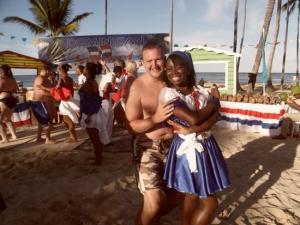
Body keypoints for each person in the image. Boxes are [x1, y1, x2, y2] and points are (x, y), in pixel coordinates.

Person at [125, 41, 217, 225]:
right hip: (148, 148)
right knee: (154, 203)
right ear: (142, 63)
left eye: (158, 59)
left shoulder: (173, 80)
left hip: (177, 147)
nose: (154, 65)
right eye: (149, 61)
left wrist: (211, 97)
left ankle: (152, 219)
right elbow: (130, 125)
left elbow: (195, 100)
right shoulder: (138, 86)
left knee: (179, 196)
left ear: (165, 59)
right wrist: (155, 118)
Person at [161, 51, 231, 225]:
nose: (173, 72)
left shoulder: (200, 92)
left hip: (206, 146)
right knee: (210, 203)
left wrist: (194, 128)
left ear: (189, 69)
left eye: (179, 66)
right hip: (189, 149)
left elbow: (215, 117)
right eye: (168, 68)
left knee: (191, 195)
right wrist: (214, 103)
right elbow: (194, 117)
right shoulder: (168, 94)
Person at [79, 62, 109, 165]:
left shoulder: (89, 83)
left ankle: (98, 160)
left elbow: (92, 100)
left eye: (85, 68)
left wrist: (89, 116)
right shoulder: (91, 82)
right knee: (95, 138)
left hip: (91, 113)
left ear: (88, 70)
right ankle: (98, 158)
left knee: (94, 138)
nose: (83, 69)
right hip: (92, 112)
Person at [33, 68, 56, 144]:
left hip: (44, 101)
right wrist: (53, 95)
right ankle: (47, 139)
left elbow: (52, 88)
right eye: (51, 71)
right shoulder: (40, 78)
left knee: (42, 121)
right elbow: (40, 91)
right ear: (47, 71)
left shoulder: (46, 78)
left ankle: (39, 138)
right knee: (48, 119)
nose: (52, 72)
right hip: (41, 101)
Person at [57, 64, 79, 143]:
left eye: (58, 69)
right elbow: (74, 87)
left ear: (61, 70)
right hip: (70, 99)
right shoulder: (70, 78)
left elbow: (57, 89)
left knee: (67, 119)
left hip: (65, 101)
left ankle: (73, 137)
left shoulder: (61, 79)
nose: (57, 71)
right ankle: (72, 136)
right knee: (66, 119)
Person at [0, 65, 18, 143]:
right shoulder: (12, 79)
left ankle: (5, 139)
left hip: (4, 100)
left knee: (0, 120)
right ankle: (14, 136)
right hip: (12, 100)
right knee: (8, 119)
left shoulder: (1, 79)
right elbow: (16, 89)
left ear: (2, 71)